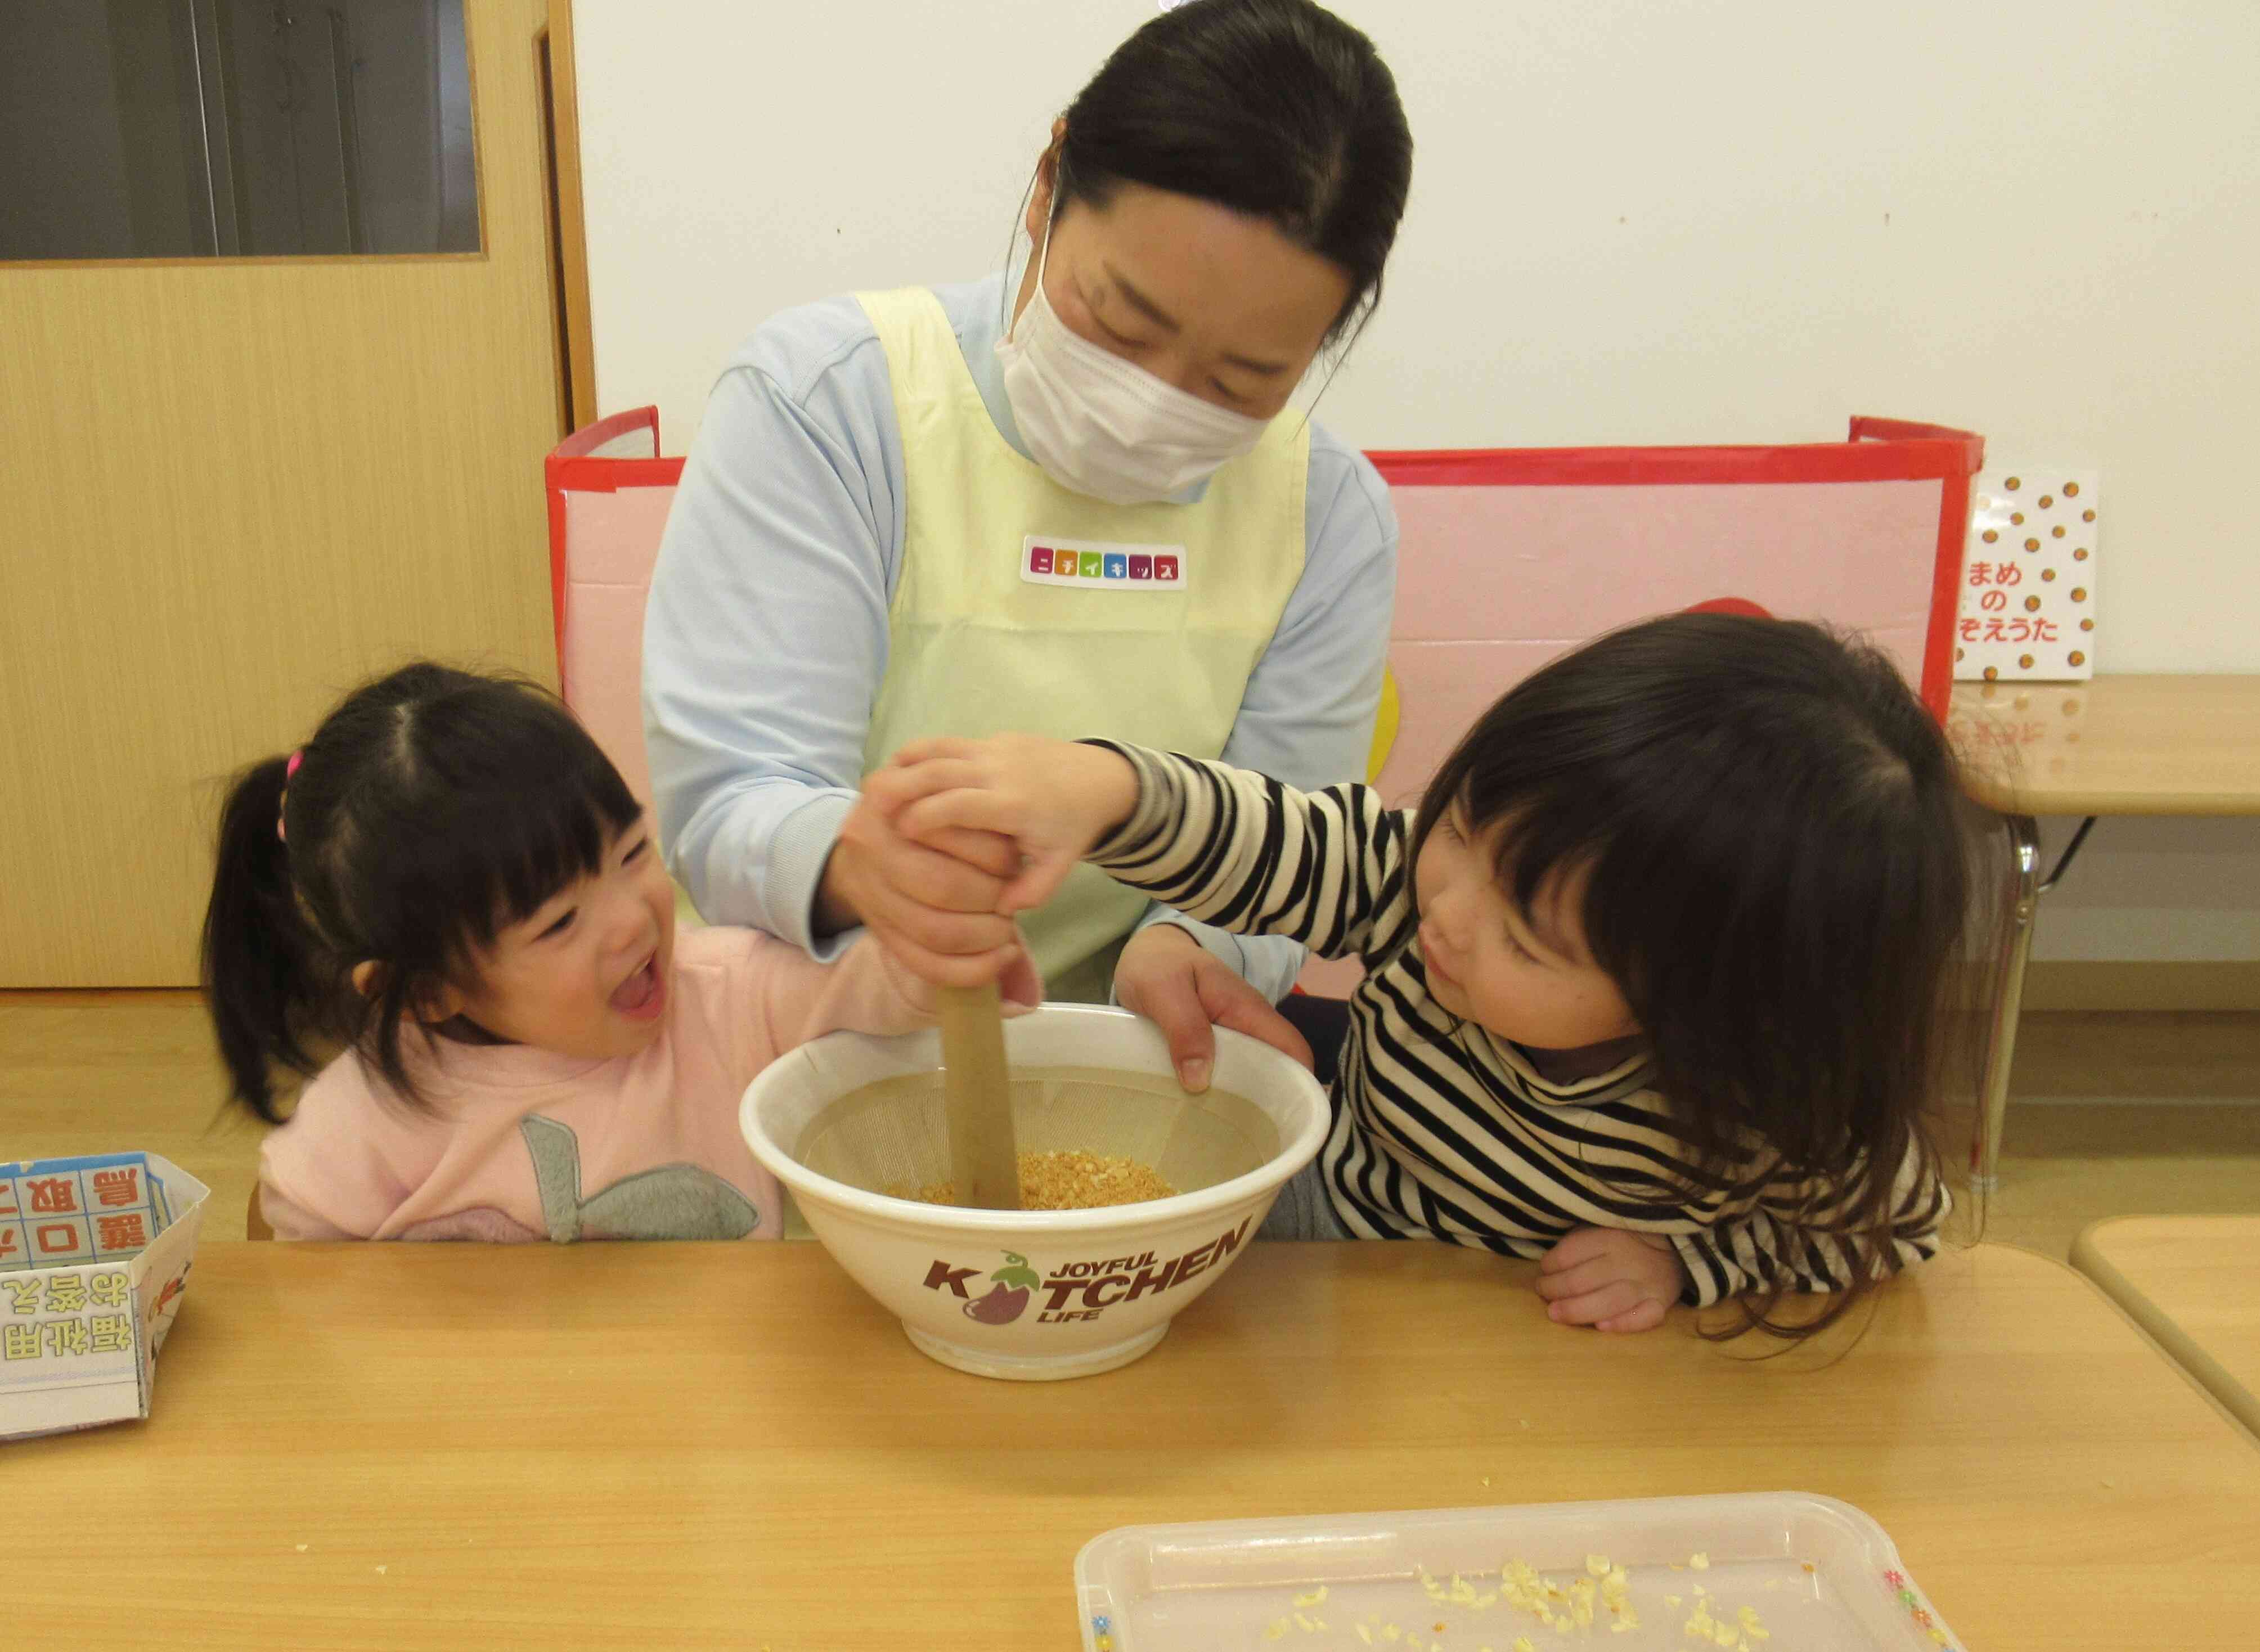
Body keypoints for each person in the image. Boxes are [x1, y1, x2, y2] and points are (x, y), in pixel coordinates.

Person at [642, 0, 1413, 1095]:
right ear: (1049, 183)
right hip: (807, 1047)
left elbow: (1289, 849)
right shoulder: (830, 403)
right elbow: (731, 796)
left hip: (1125, 1068)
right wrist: (857, 862)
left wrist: (1193, 946)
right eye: (1122, 322)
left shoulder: (1326, 515)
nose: (1150, 405)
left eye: (1241, 380)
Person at [861, 614, 1981, 1338]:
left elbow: (1886, 1232)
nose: (1444, 913)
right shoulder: (1417, 886)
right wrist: (1101, 792)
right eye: (1462, 823)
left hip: (1513, 1332)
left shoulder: (1770, 1108)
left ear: (1708, 1010)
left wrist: (1685, 1262)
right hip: (1330, 1217)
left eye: (1527, 942)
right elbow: (1266, 835)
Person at [200, 664, 1034, 1243]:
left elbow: (887, 987)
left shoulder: (727, 992)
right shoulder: (373, 1115)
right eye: (560, 921)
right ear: (427, 993)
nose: (633, 921)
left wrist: (946, 919)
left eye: (632, 852)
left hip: (711, 1410)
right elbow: (298, 1264)